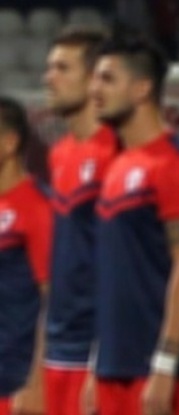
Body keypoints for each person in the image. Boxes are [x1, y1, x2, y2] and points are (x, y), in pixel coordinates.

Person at [88, 32, 179, 415]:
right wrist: (97, 364)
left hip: (165, 378)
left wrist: (164, 364)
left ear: (142, 88)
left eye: (107, 79)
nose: (94, 90)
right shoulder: (118, 165)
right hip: (115, 371)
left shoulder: (177, 166)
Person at [43, 27, 119, 415]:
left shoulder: (116, 153)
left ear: (93, 79)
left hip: (95, 349)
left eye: (61, 68)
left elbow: (121, 266)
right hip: (56, 343)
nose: (48, 78)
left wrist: (102, 355)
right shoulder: (60, 153)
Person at [0, 97, 52, 415]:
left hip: (14, 380)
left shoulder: (37, 206)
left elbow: (52, 298)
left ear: (9, 142)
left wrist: (36, 381)